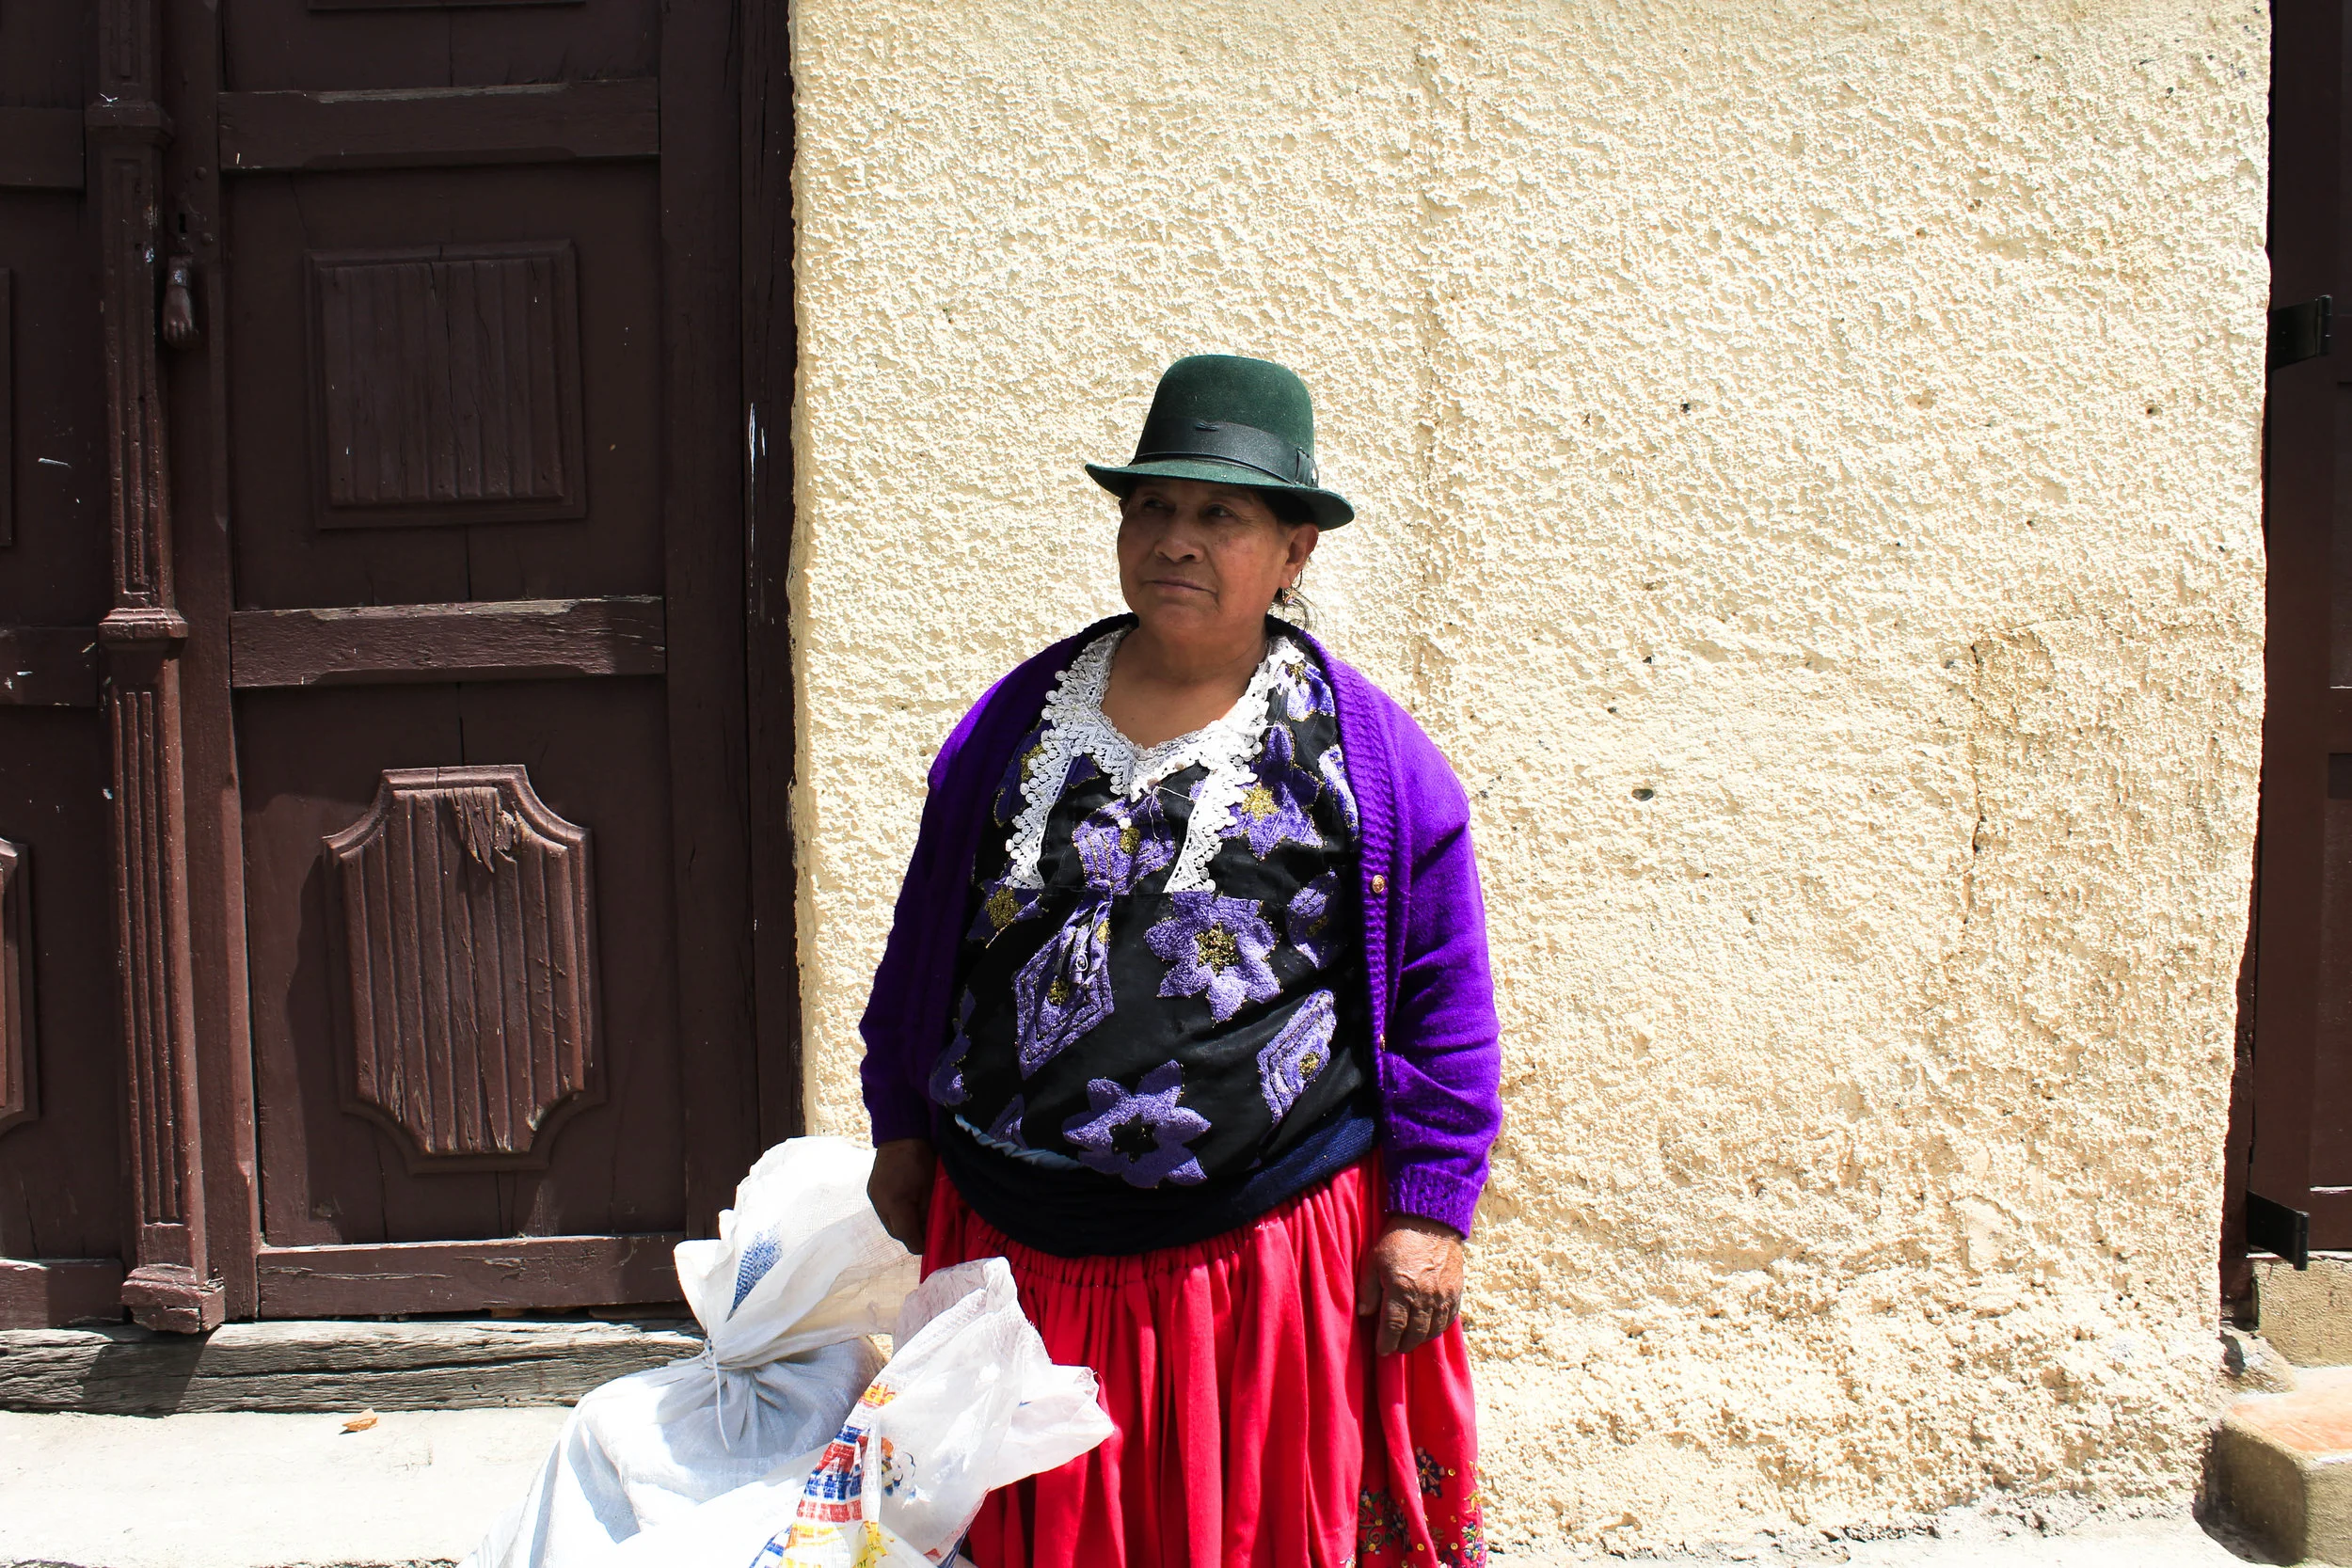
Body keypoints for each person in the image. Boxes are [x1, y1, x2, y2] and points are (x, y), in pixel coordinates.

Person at [858, 354, 1502, 1567]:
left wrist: (1430, 1212)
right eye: (1151, 506)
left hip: (1250, 1270)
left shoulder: (1363, 753)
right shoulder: (1018, 722)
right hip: (1018, 1248)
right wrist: (900, 1127)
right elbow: (928, 942)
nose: (1175, 541)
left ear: (1296, 551)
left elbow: (1441, 993)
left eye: (1221, 514)